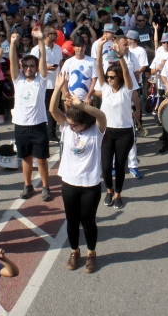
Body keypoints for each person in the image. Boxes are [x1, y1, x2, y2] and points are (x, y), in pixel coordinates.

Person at [49, 71, 107, 273]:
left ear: (85, 122)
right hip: (69, 182)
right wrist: (58, 87)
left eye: (75, 125)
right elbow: (52, 109)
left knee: (88, 221)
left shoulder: (96, 131)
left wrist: (81, 104)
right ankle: (75, 251)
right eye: (70, 124)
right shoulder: (66, 127)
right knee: (72, 222)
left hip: (90, 184)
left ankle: (91, 253)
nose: (71, 128)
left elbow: (101, 115)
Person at [9, 27, 52, 201]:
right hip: (21, 126)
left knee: (41, 160)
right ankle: (28, 186)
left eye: (31, 66)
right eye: (25, 66)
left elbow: (43, 61)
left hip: (38, 126)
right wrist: (13, 43)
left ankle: (45, 186)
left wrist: (41, 40)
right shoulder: (17, 80)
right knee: (25, 159)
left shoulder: (41, 81)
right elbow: (12, 61)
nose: (28, 68)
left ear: (35, 68)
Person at [96, 39, 135, 209]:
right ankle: (109, 190)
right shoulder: (104, 88)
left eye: (112, 77)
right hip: (107, 132)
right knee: (105, 166)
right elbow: (98, 66)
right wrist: (98, 48)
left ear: (119, 78)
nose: (109, 79)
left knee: (120, 166)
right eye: (108, 77)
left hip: (125, 132)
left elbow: (126, 71)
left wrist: (120, 56)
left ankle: (118, 193)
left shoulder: (127, 89)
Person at [31, 25, 64, 141]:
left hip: (56, 84)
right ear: (47, 35)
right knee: (41, 108)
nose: (57, 35)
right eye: (54, 33)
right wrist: (45, 67)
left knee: (54, 109)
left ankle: (51, 133)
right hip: (42, 84)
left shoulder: (58, 48)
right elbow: (31, 66)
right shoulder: (36, 49)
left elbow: (61, 64)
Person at [60, 35, 97, 103]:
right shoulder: (68, 62)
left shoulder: (92, 61)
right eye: (78, 46)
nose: (80, 48)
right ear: (73, 47)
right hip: (72, 99)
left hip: (86, 100)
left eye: (82, 46)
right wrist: (66, 93)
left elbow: (94, 80)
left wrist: (88, 97)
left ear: (85, 47)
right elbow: (63, 80)